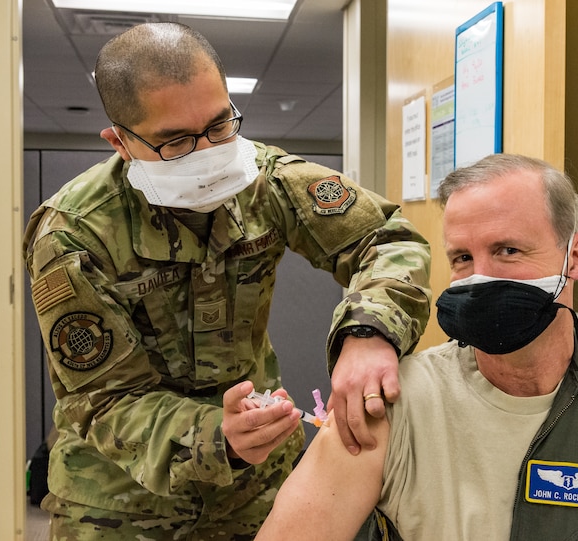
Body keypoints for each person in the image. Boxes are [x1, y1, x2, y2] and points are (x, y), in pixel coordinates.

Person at [22, 22, 431, 540]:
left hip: (255, 491)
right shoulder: (74, 233)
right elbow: (104, 399)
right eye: (175, 141)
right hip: (121, 505)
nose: (208, 153)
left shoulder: (266, 179)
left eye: (220, 125)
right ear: (121, 142)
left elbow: (386, 239)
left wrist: (369, 332)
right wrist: (218, 436)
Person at [256, 153, 578, 541]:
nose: (480, 277)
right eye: (462, 258)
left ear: (577, 257)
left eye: (507, 250)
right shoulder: (389, 404)